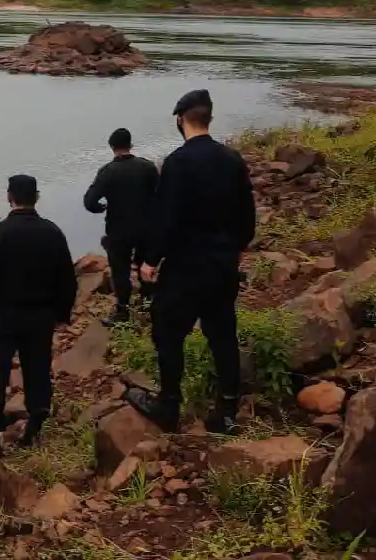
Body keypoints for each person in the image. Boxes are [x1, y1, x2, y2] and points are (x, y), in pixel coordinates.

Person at [125, 90, 257, 434]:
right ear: (209, 118)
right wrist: (236, 247)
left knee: (167, 331)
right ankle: (226, 410)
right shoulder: (232, 159)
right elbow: (247, 216)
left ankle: (168, 405)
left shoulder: (178, 163)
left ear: (180, 119)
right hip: (222, 265)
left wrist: (150, 260)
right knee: (222, 334)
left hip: (186, 266)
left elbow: (165, 218)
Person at [0, 174, 77, 457]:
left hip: (4, 317)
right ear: (36, 198)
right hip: (40, 316)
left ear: (9, 197)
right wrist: (63, 314)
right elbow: (67, 278)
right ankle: (34, 430)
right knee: (38, 370)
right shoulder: (52, 232)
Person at [83, 127, 160, 325]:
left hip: (119, 229)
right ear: (130, 144)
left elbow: (89, 201)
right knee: (145, 265)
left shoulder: (108, 171)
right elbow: (161, 196)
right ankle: (148, 303)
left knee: (120, 271)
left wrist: (102, 208)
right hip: (146, 227)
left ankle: (122, 311)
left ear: (112, 146)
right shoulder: (147, 167)